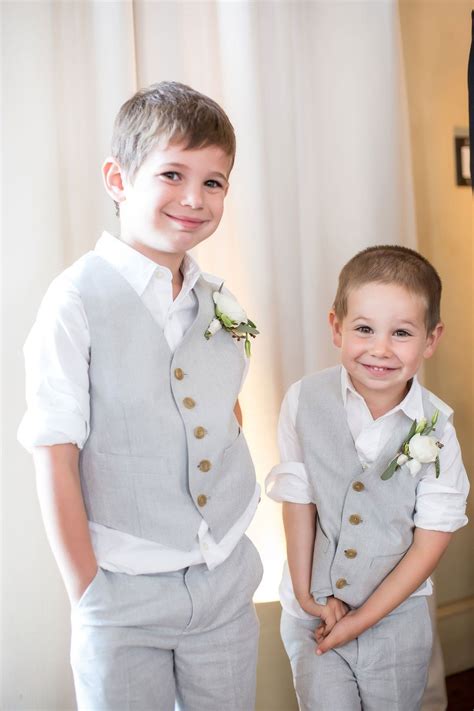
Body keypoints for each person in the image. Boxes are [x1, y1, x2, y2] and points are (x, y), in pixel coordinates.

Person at [18, 81, 262, 711]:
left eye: (215, 182)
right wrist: (89, 591)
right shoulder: (74, 301)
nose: (194, 198)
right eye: (173, 174)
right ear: (118, 179)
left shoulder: (221, 300)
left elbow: (226, 405)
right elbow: (54, 453)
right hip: (122, 593)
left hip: (224, 580)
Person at [266, 245, 469, 711]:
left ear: (430, 339)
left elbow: (430, 541)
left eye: (401, 333)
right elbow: (299, 502)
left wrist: (362, 621)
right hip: (312, 615)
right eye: (363, 329)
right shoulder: (303, 400)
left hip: (395, 622)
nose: (380, 349)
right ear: (336, 327)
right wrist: (308, 596)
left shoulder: (437, 425)